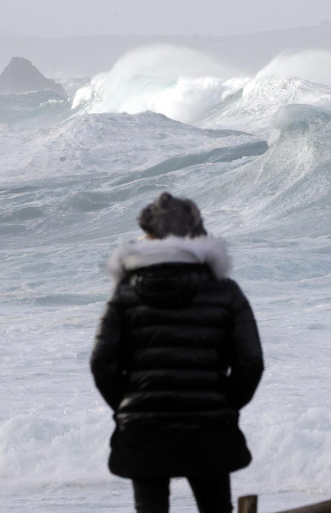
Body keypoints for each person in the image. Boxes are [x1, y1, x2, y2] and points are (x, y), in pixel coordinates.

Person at [91, 192, 264, 513]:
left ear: (149, 235)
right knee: (215, 508)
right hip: (208, 422)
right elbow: (250, 362)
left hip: (144, 424)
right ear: (196, 233)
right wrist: (225, 403)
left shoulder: (125, 293)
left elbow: (102, 363)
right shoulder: (225, 291)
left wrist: (128, 404)